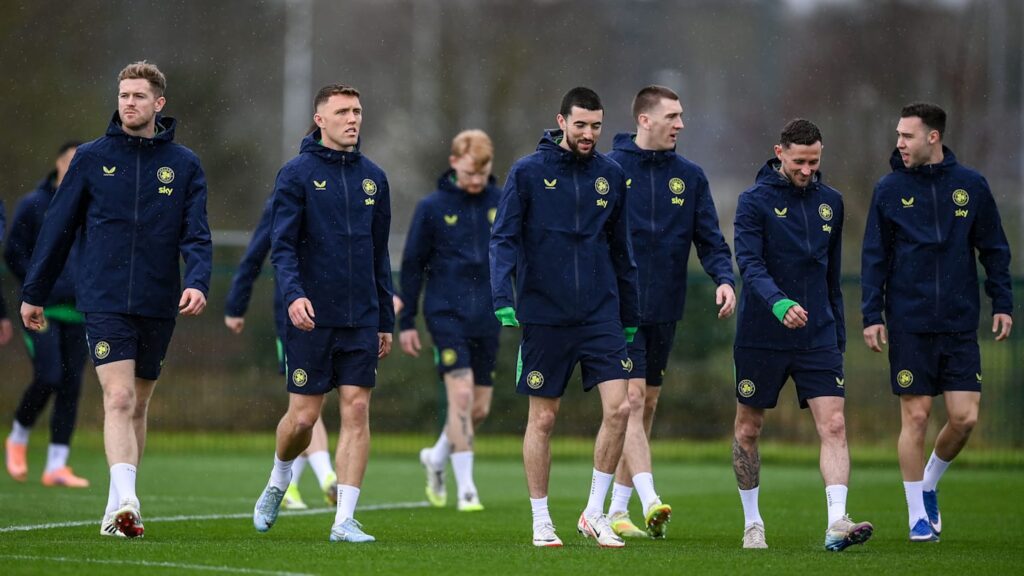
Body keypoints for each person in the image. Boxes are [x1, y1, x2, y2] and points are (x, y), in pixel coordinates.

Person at [19, 61, 212, 539]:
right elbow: (57, 230)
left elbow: (197, 235)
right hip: (103, 297)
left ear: (158, 104)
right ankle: (129, 500)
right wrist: (34, 293)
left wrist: (199, 281)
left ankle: (115, 508)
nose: (129, 103)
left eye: (139, 96)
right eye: (124, 95)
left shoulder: (184, 165)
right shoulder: (89, 158)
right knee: (119, 397)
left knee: (139, 405)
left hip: (158, 298)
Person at [490, 87, 638, 548]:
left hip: (600, 314)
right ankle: (541, 519)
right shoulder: (528, 171)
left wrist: (629, 314)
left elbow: (622, 249)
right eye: (581, 125)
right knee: (544, 419)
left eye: (596, 125)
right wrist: (502, 296)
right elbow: (504, 238)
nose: (590, 134)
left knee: (621, 408)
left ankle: (594, 513)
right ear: (561, 122)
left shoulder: (611, 175)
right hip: (544, 314)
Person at [861, 103, 1012, 543]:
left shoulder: (971, 186)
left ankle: (928, 482)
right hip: (909, 322)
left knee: (964, 418)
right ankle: (916, 517)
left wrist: (1001, 301)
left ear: (933, 137)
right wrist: (873, 315)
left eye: (907, 136)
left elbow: (995, 250)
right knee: (917, 415)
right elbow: (874, 259)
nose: (899, 143)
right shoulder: (888, 189)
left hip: (960, 323)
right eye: (898, 135)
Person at [252, 83, 394, 544]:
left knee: (356, 409)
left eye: (357, 110)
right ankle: (278, 478)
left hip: (361, 317)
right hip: (311, 316)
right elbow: (284, 246)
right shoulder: (295, 174)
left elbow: (378, 255)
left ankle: (344, 519)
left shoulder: (374, 178)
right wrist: (294, 295)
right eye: (342, 112)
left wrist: (385, 322)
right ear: (320, 119)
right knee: (304, 419)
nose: (353, 119)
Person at [732, 119, 872, 551]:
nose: (807, 170)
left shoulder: (832, 202)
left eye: (814, 161)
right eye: (799, 161)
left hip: (818, 337)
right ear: (779, 152)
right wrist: (778, 303)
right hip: (762, 334)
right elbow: (750, 265)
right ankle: (753, 522)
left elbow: (831, 278)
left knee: (833, 424)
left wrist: (838, 335)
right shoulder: (753, 202)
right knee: (749, 428)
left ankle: (837, 523)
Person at [605, 85, 736, 539]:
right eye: (673, 116)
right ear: (645, 119)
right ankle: (650, 498)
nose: (681, 124)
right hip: (619, 309)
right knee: (633, 401)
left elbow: (710, 239)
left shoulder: (691, 177)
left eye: (681, 116)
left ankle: (617, 509)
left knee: (648, 403)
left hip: (665, 308)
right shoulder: (611, 169)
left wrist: (724, 278)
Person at [397, 130, 501, 512]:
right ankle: (467, 489)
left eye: (483, 171)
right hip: (446, 313)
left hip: (488, 315)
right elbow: (411, 267)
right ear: (454, 161)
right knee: (459, 395)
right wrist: (406, 320)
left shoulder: (502, 202)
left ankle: (437, 456)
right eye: (471, 172)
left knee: (479, 408)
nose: (477, 180)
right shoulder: (432, 207)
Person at [224, 193, 338, 510]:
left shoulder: (348, 191)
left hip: (335, 315)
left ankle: (290, 485)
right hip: (294, 318)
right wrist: (236, 304)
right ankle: (327, 477)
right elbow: (257, 252)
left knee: (313, 405)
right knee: (304, 405)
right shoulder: (287, 196)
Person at [5, 141, 91, 488]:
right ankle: (18, 436)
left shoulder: (91, 206)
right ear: (57, 162)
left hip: (81, 311)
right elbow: (13, 252)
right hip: (42, 309)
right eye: (69, 160)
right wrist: (39, 285)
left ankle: (57, 465)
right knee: (49, 376)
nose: (74, 167)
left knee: (71, 387)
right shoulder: (34, 204)